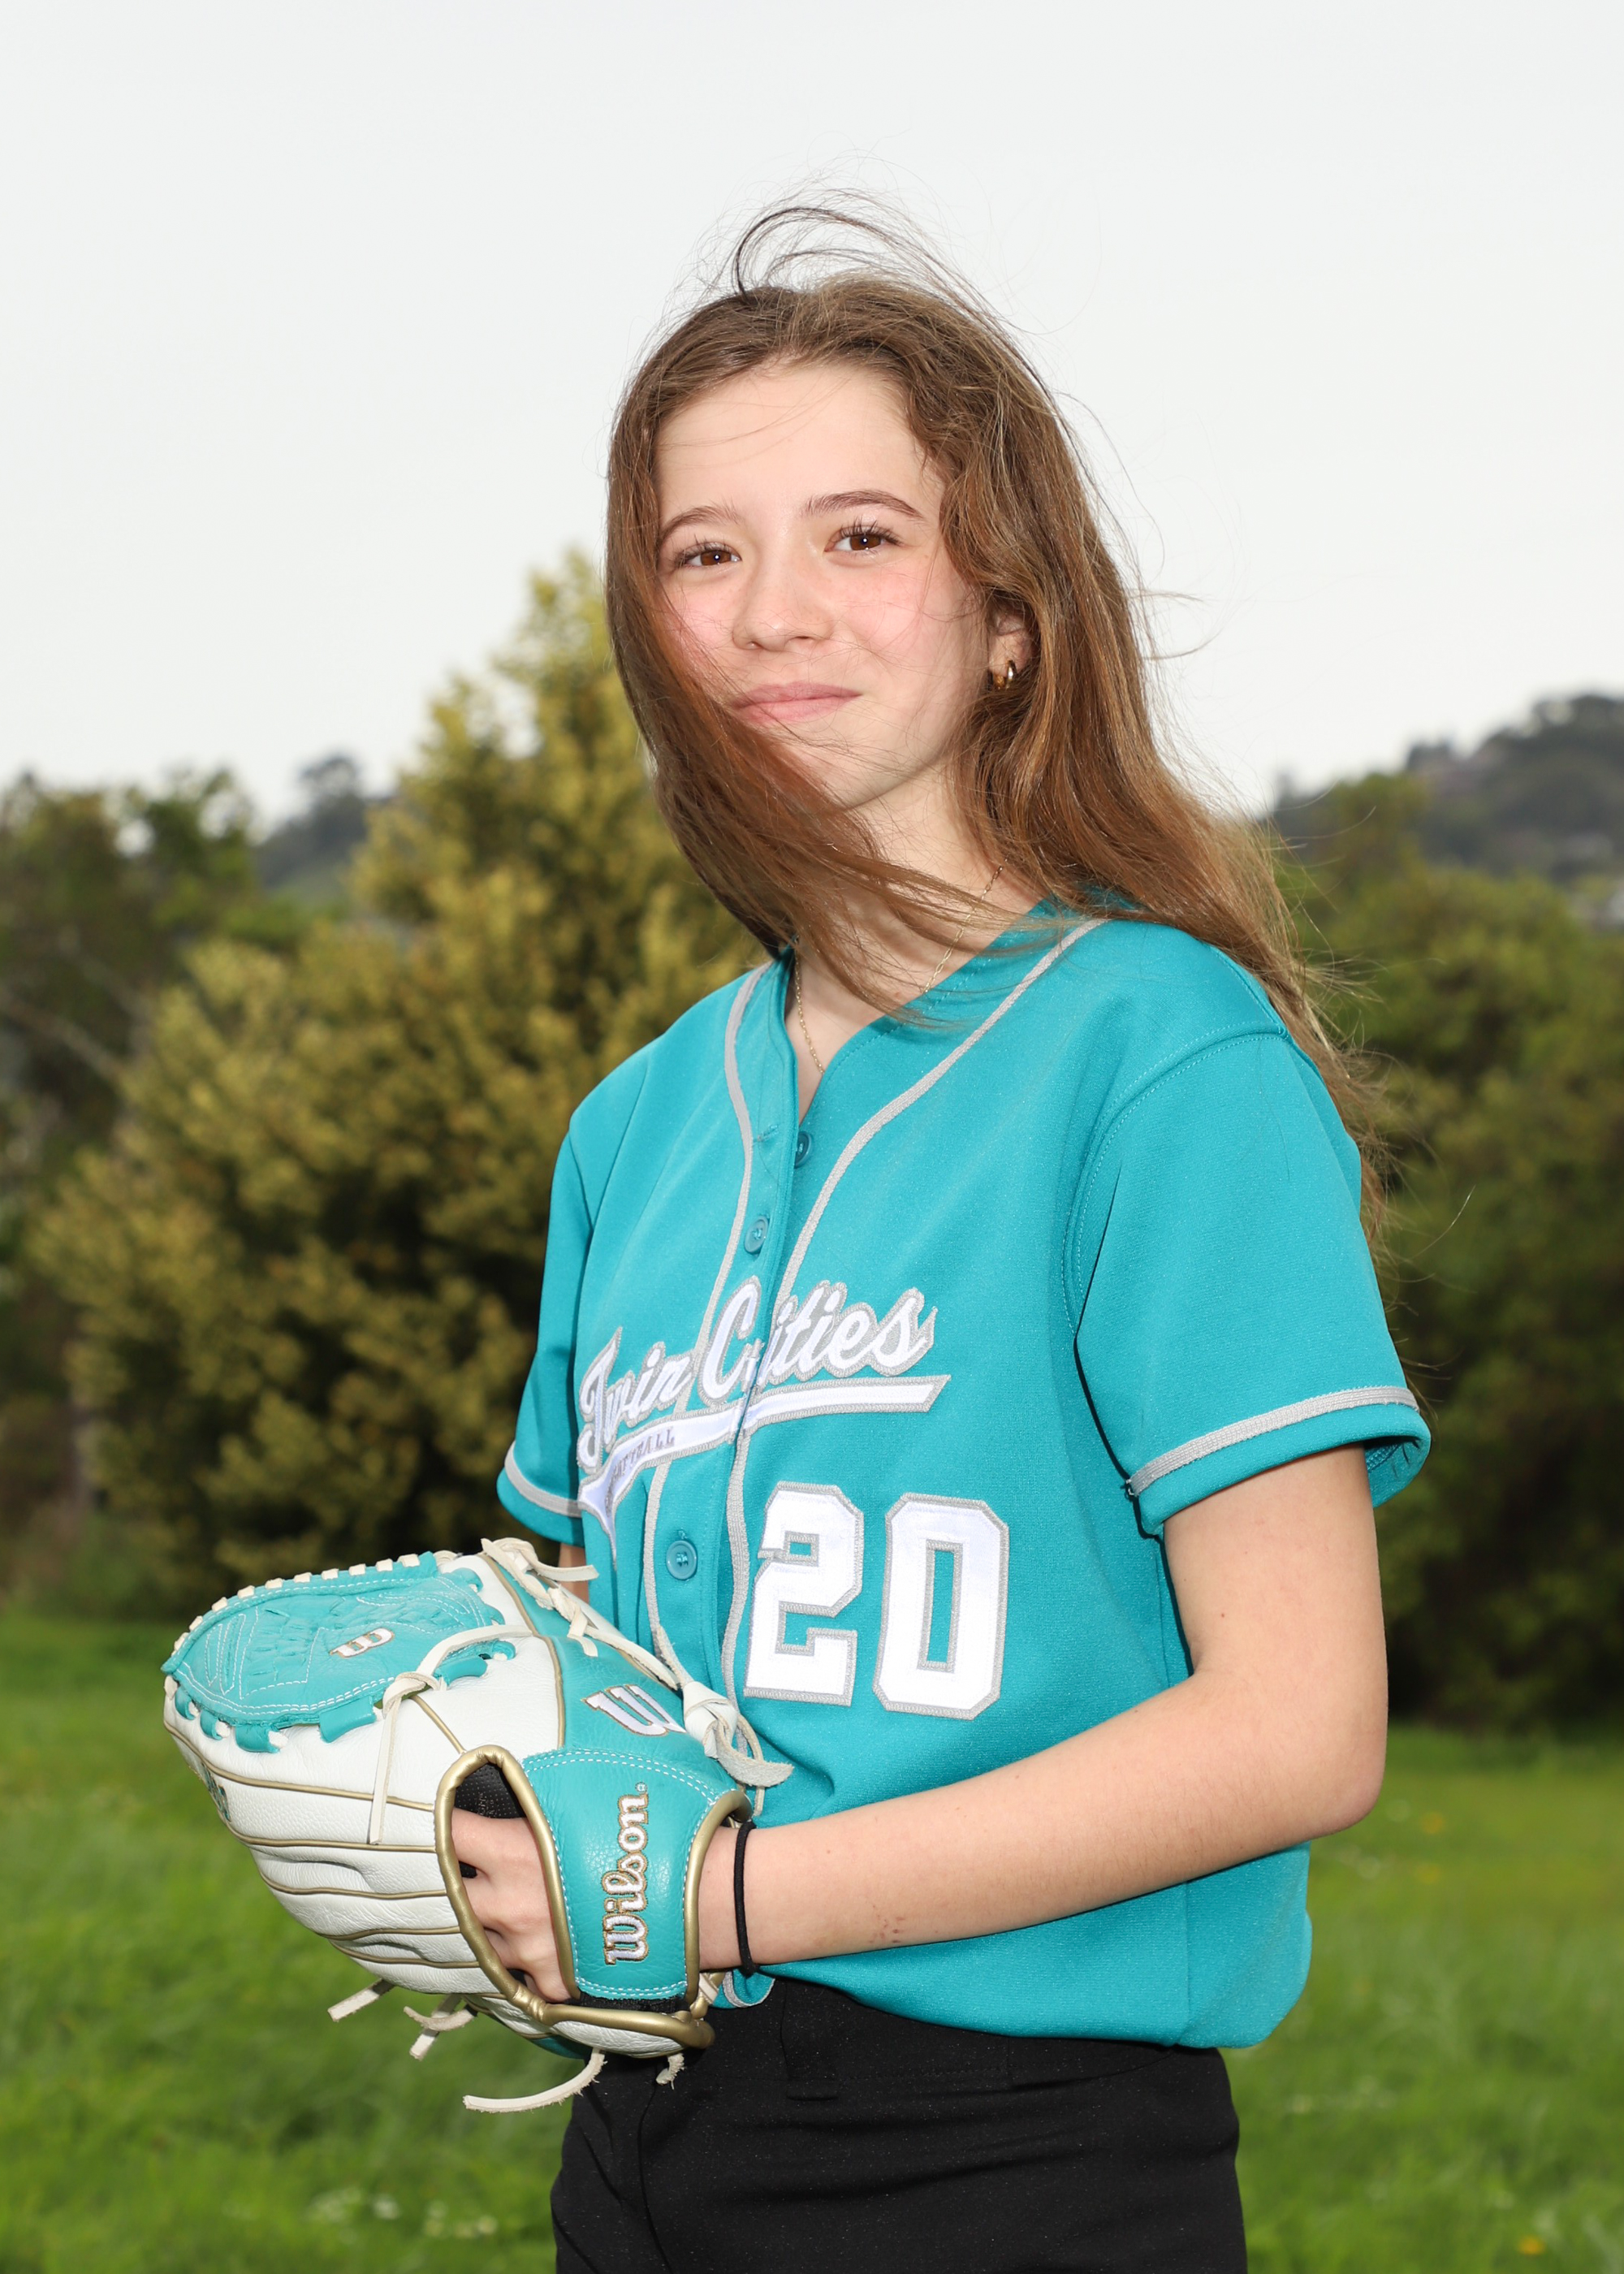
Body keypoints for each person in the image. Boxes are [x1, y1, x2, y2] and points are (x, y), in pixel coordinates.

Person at [451, 208, 1427, 2274]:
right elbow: (589, 1662)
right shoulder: (636, 1126)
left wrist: (717, 1895)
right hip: (644, 2138)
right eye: (702, 553)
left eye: (861, 536)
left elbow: (1298, 1723)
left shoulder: (1161, 1055)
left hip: (1012, 2160)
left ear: (1007, 614)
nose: (770, 613)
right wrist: (463, 1803)